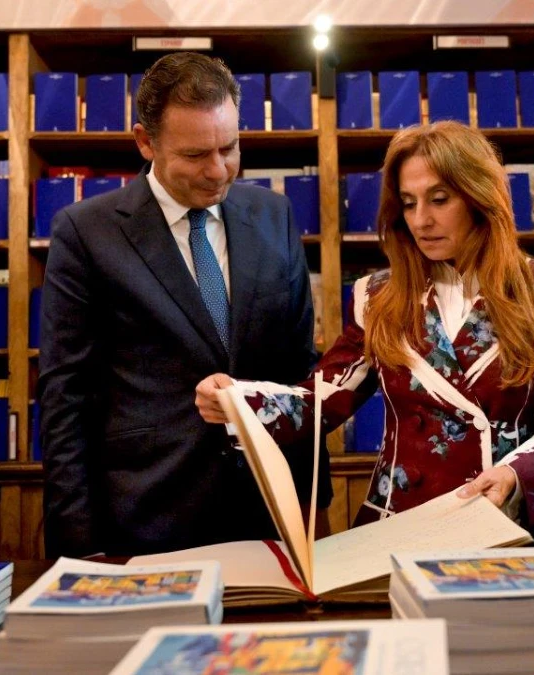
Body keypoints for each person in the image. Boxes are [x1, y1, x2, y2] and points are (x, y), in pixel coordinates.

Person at [196, 121, 534, 547]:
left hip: (513, 528)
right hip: (403, 526)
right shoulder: (378, 298)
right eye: (408, 204)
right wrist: (237, 401)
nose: (421, 220)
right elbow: (321, 402)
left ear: (481, 196)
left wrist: (516, 475)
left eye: (439, 200)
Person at [40, 52, 327, 558]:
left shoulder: (274, 215)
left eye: (229, 147)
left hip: (268, 512)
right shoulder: (86, 232)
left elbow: (300, 371)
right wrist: (78, 543)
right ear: (145, 141)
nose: (218, 170)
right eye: (195, 155)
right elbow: (65, 396)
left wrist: (315, 502)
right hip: (143, 518)